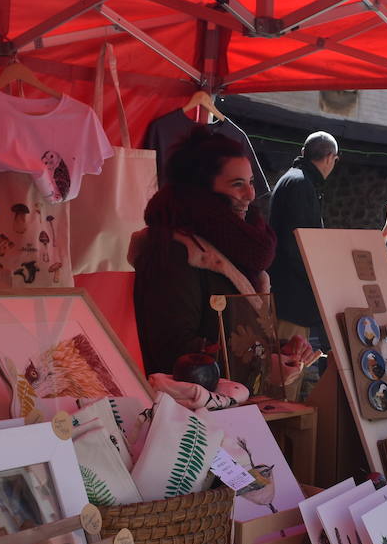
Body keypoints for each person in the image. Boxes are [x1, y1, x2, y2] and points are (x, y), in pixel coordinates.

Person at [131, 130, 312, 379]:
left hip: (235, 407)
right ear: (200, 191)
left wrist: (280, 349)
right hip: (195, 413)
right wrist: (264, 365)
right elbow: (173, 350)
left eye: (250, 182)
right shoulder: (174, 252)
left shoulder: (238, 248)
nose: (250, 194)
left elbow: (235, 334)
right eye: (237, 184)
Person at [266, 131, 339, 344]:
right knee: (287, 369)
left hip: (288, 293)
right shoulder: (301, 184)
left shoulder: (296, 179)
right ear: (329, 158)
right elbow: (297, 246)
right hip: (292, 297)